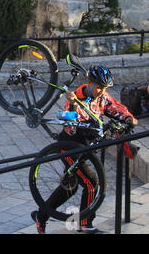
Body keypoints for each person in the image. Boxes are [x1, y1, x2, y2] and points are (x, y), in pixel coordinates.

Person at [31, 65, 138, 234]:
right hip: (69, 148)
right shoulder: (76, 97)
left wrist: (128, 117)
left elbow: (116, 107)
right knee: (91, 182)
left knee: (71, 185)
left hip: (87, 148)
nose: (102, 91)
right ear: (89, 82)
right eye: (99, 87)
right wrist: (73, 106)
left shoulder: (103, 96)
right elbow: (71, 128)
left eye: (105, 88)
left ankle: (41, 215)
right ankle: (86, 223)